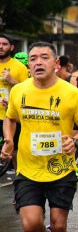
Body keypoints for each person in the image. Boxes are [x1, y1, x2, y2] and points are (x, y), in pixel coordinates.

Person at [1, 41, 78, 232]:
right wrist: (9, 140)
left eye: (44, 57)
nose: (38, 63)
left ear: (56, 63)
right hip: (28, 170)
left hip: (61, 169)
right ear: (29, 65)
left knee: (59, 226)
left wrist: (76, 141)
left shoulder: (72, 93)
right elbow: (10, 118)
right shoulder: (19, 91)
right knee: (31, 224)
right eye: (33, 59)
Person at [0, 35, 29, 175]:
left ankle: (20, 176)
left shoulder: (20, 68)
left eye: (4, 44)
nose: (1, 47)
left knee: (16, 147)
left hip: (12, 115)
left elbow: (28, 92)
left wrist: (12, 80)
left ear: (11, 47)